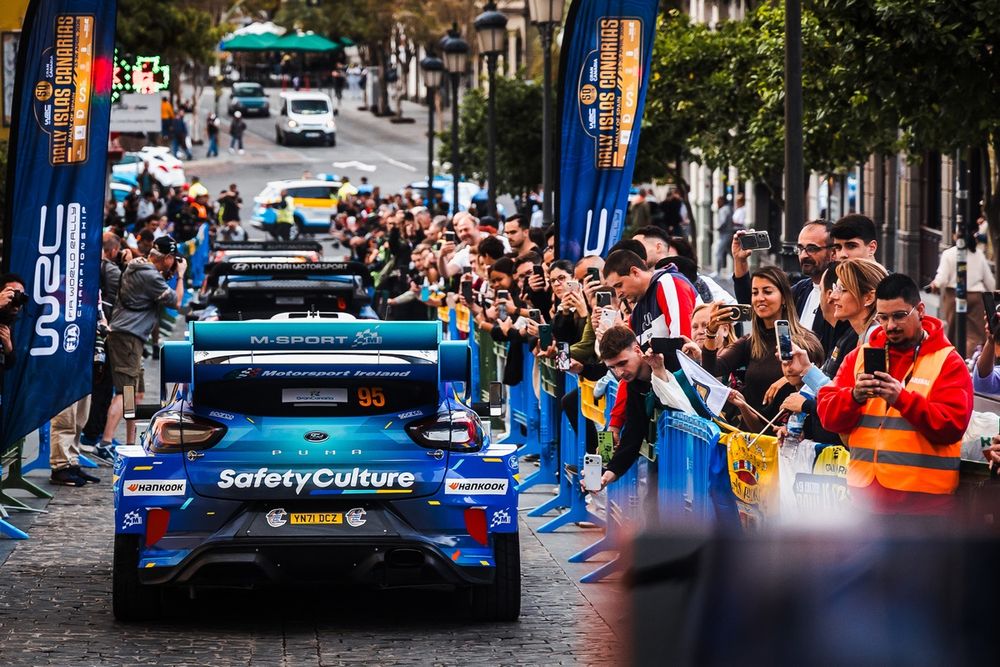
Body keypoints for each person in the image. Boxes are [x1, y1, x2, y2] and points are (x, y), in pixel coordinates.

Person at [816, 273, 973, 516]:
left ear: (920, 310)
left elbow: (952, 426)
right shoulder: (859, 356)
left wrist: (902, 399)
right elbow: (828, 415)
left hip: (924, 508)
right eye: (883, 318)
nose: (890, 326)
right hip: (864, 503)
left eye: (899, 316)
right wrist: (854, 397)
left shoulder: (948, 362)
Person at [701, 266, 823, 429]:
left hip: (789, 438)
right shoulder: (749, 343)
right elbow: (711, 369)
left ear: (784, 298)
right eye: (755, 292)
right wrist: (711, 332)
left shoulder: (806, 343)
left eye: (767, 291)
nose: (760, 298)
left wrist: (786, 379)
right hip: (751, 439)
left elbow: (818, 381)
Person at [99, 237, 186, 458]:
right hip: (126, 337)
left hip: (132, 338)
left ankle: (129, 441)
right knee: (124, 392)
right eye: (173, 260)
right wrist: (181, 276)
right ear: (167, 258)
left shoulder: (140, 267)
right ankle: (105, 442)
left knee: (135, 394)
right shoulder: (149, 275)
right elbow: (176, 302)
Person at [589, 325, 669, 490]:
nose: (619, 372)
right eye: (612, 367)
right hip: (660, 450)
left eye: (623, 363)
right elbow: (634, 431)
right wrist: (609, 473)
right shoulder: (631, 384)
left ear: (637, 350)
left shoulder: (668, 361)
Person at [929, 230, 995, 358]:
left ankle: (954, 360)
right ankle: (970, 360)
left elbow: (942, 278)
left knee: (953, 332)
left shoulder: (949, 254)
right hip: (976, 296)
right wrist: (993, 294)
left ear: (955, 236)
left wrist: (935, 285)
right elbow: (989, 280)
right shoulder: (978, 254)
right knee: (975, 334)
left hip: (954, 296)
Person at [713, 195, 734, 275]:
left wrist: (717, 227)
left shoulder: (723, 210)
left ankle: (717, 272)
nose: (717, 204)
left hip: (725, 234)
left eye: (718, 202)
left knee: (719, 252)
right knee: (731, 253)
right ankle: (734, 272)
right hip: (728, 233)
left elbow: (723, 221)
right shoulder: (728, 208)